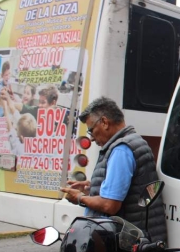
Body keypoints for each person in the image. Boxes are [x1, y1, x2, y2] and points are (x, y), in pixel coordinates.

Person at [60, 97, 167, 242]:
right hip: (134, 237)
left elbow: (110, 205)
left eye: (91, 131)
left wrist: (80, 198)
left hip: (125, 242)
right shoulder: (132, 142)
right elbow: (128, 190)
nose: (91, 138)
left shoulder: (121, 150)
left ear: (104, 122)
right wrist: (90, 189)